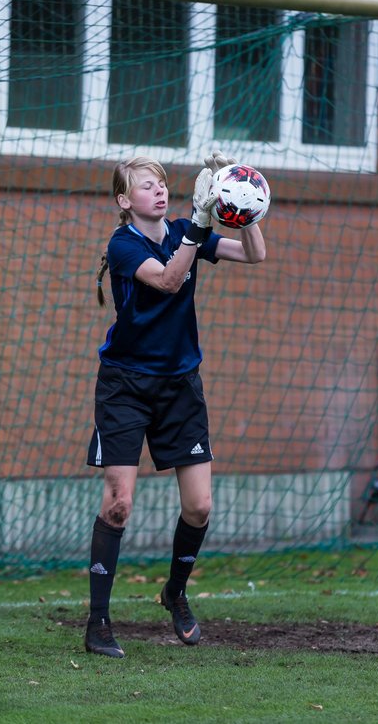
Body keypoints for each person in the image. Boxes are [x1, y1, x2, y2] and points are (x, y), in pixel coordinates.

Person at [84, 150, 267, 659]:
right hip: (125, 385)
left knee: (200, 505)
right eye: (146, 186)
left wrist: (247, 205)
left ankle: (175, 592)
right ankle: (98, 623)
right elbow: (167, 279)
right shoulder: (122, 244)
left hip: (180, 385)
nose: (159, 191)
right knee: (119, 503)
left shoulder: (187, 227)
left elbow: (254, 255)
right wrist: (199, 225)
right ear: (125, 200)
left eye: (162, 183)